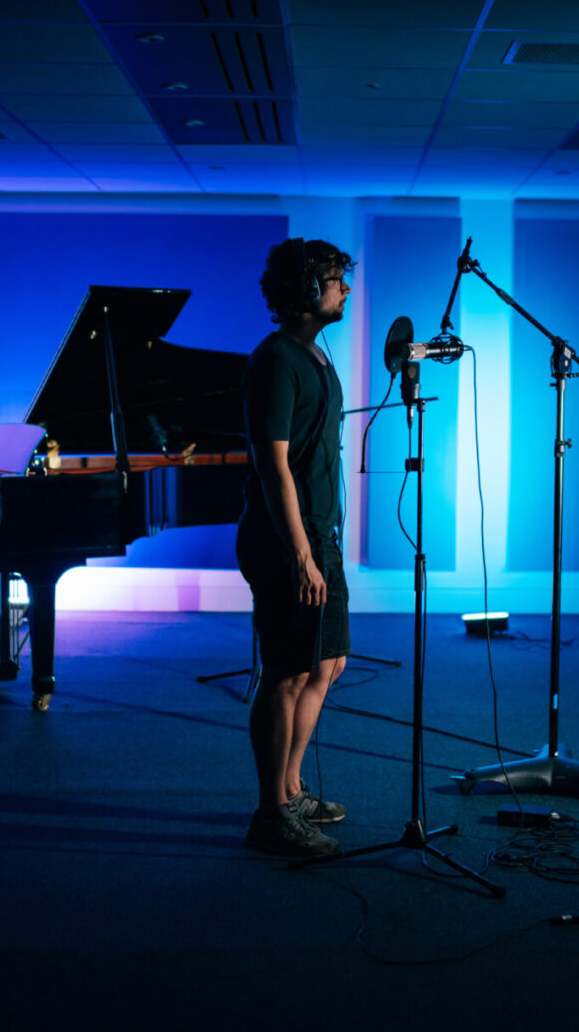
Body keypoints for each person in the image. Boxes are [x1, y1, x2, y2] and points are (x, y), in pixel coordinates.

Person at [237, 238, 354, 858]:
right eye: (337, 280)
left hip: (319, 537)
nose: (346, 290)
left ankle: (291, 788)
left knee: (327, 664)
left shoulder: (315, 356)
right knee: (286, 674)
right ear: (308, 290)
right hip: (287, 543)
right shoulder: (276, 361)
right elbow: (273, 467)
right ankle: (270, 813)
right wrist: (302, 554)